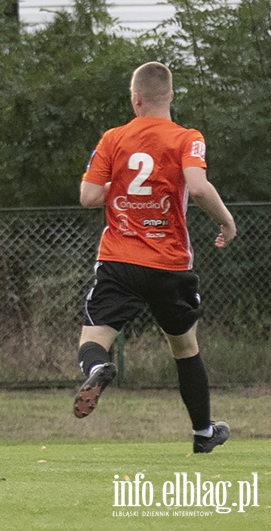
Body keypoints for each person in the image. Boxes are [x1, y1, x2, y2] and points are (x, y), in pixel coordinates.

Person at [73, 61, 236, 454]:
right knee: (185, 348)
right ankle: (202, 433)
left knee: (92, 340)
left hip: (119, 259)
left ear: (136, 99)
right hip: (169, 263)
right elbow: (197, 188)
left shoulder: (113, 138)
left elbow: (89, 197)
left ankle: (97, 368)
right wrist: (227, 221)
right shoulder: (187, 138)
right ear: (172, 96)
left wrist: (123, 183)